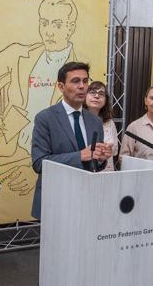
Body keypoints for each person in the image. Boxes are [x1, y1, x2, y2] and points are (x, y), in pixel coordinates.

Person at [0, 0, 79, 196]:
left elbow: (75, 145)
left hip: (44, 163)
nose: (49, 32)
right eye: (44, 23)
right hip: (4, 152)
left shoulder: (79, 78)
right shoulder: (17, 54)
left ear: (71, 27)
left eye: (57, 24)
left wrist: (37, 172)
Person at [31, 62, 113, 219]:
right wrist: (80, 155)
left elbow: (93, 165)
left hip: (88, 200)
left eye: (85, 81)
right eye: (75, 81)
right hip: (56, 201)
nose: (82, 86)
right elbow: (39, 163)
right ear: (61, 87)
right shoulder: (45, 118)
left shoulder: (95, 121)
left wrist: (101, 158)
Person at [85, 81, 119, 170]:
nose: (96, 96)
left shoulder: (110, 123)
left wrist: (107, 150)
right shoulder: (77, 120)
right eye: (92, 92)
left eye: (101, 94)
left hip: (106, 173)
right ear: (84, 96)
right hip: (84, 173)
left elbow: (115, 151)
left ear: (105, 100)